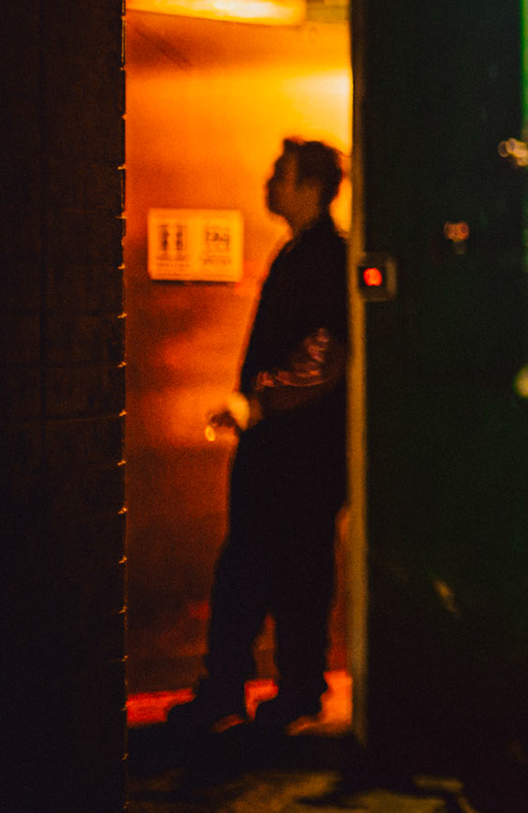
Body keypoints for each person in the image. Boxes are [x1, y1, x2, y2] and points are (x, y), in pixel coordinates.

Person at [169, 138, 350, 736]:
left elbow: (321, 358)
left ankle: (240, 688)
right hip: (301, 451)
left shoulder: (318, 257)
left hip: (292, 451)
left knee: (255, 569)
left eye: (280, 174)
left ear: (311, 187)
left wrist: (258, 403)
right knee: (292, 572)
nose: (268, 184)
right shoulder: (313, 253)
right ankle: (288, 688)